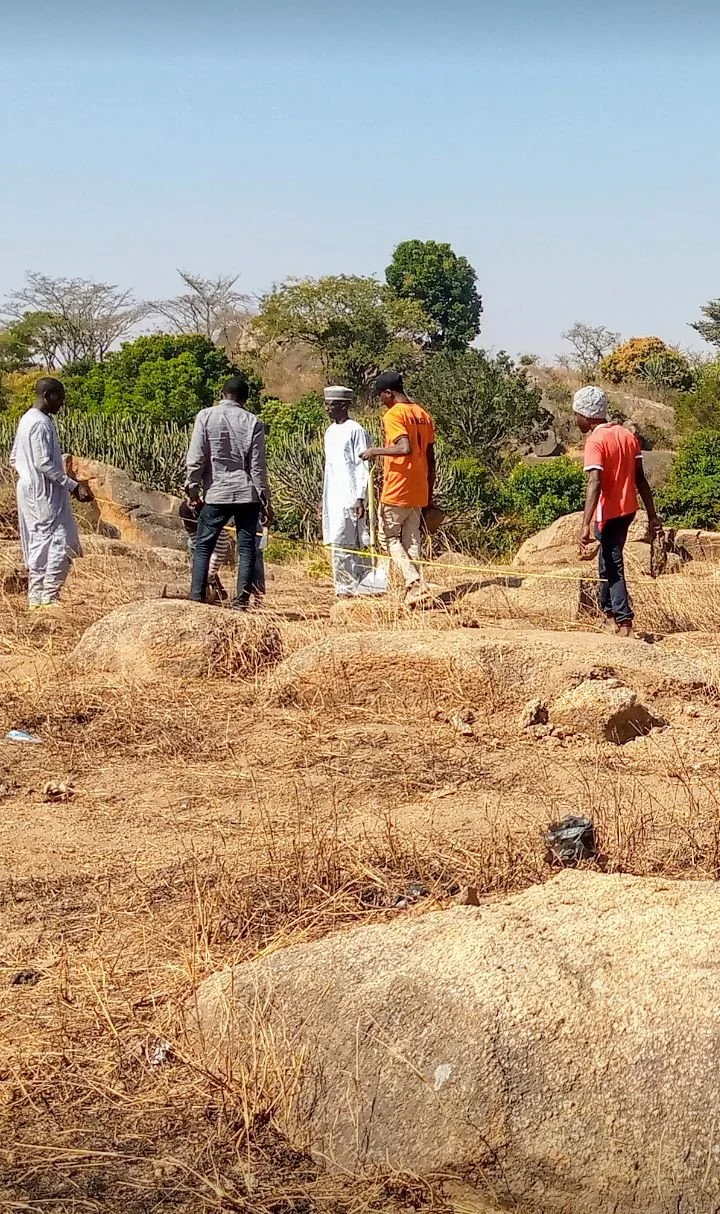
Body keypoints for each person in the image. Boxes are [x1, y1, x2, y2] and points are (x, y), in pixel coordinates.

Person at [574, 385, 663, 638]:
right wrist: (652, 514)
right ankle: (608, 615)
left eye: (577, 414)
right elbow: (641, 480)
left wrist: (585, 523)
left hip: (608, 512)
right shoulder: (627, 436)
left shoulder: (595, 440)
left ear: (588, 416)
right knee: (606, 561)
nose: (576, 419)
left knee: (613, 565)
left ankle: (624, 623)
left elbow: (595, 482)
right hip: (628, 510)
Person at [185, 375, 272, 611]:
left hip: (217, 492)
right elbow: (257, 467)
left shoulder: (205, 416)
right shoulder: (253, 422)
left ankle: (196, 598)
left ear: (222, 394)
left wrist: (192, 489)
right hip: (247, 495)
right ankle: (241, 602)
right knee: (246, 549)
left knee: (203, 546)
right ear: (245, 399)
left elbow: (196, 458)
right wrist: (265, 501)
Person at [10, 377, 90, 609]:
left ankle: (36, 599)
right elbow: (44, 463)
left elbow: (15, 457)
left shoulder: (27, 419)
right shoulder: (40, 424)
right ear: (47, 396)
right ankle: (48, 596)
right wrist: (73, 486)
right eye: (59, 398)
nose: (62, 404)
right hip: (43, 493)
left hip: (32, 489)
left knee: (40, 543)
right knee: (61, 542)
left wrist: (27, 477)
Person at [360, 370, 436, 605]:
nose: (381, 402)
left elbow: (404, 448)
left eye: (381, 396)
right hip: (419, 486)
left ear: (388, 393)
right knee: (412, 539)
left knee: (389, 538)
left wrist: (374, 451)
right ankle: (416, 591)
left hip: (398, 487)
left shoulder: (394, 415)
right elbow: (431, 458)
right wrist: (429, 491)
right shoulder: (423, 414)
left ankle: (413, 581)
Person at [322, 385, 385, 597]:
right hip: (334, 496)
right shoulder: (330, 431)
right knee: (338, 544)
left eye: (331, 404)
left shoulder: (355, 430)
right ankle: (345, 588)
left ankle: (355, 588)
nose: (327, 408)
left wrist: (360, 497)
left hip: (351, 498)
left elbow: (362, 467)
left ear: (343, 405)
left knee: (350, 543)